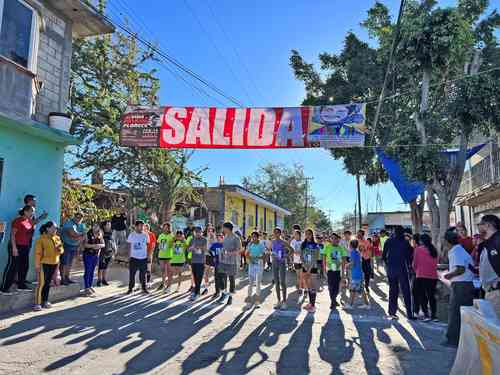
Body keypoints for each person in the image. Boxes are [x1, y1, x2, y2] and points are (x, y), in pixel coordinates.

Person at [442, 227, 475, 347]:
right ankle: (458, 339)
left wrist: (447, 275)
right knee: (458, 312)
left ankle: (453, 340)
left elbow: (460, 269)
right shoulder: (457, 250)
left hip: (462, 285)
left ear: (447, 241)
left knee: (455, 312)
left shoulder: (456, 251)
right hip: (463, 284)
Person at [1, 206, 35, 294]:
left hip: (25, 247)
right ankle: (4, 288)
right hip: (16, 246)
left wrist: (42, 217)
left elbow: (31, 228)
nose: (33, 213)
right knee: (12, 267)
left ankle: (21, 285)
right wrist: (14, 248)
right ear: (26, 212)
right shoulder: (17, 221)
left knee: (24, 266)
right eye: (32, 211)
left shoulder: (29, 221)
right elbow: (12, 235)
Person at [382, 225, 415, 320]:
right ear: (403, 233)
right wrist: (410, 266)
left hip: (391, 269)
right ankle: (409, 313)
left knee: (393, 290)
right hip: (402, 269)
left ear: (394, 232)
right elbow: (409, 256)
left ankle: (392, 312)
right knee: (406, 291)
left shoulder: (388, 241)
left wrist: (388, 264)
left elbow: (384, 256)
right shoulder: (405, 242)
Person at [33, 222, 63, 311]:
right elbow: (38, 254)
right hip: (44, 264)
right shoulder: (41, 239)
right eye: (53, 228)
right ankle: (37, 303)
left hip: (54, 263)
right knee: (41, 283)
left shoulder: (57, 238)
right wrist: (37, 265)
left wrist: (59, 249)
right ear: (47, 228)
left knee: (48, 283)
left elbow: (61, 250)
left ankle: (45, 301)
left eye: (56, 228)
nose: (55, 230)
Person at [412, 233, 439, 322]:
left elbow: (414, 264)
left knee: (423, 296)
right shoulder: (434, 250)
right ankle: (434, 316)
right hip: (433, 276)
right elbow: (436, 263)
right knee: (431, 296)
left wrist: (416, 270)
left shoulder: (418, 249)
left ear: (421, 241)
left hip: (421, 275)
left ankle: (426, 314)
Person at [477, 215, 500, 314]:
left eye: (480, 224)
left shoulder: (497, 239)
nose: (478, 227)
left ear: (487, 225)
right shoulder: (488, 243)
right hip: (490, 292)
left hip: (497, 292)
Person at [218, 222, 242, 306]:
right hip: (223, 260)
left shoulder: (236, 237)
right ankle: (224, 293)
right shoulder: (225, 236)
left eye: (223, 227)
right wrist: (221, 251)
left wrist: (230, 253)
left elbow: (239, 250)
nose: (222, 229)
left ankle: (230, 297)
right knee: (220, 276)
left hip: (232, 262)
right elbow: (224, 247)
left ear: (228, 228)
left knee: (231, 279)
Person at [60, 212, 86, 285]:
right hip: (66, 245)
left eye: (81, 217)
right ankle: (62, 278)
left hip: (75, 246)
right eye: (77, 217)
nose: (79, 219)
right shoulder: (69, 223)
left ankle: (67, 277)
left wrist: (78, 238)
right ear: (74, 217)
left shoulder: (82, 225)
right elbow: (73, 234)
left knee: (70, 263)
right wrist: (80, 235)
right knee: (64, 262)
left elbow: (84, 236)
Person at [324, 233, 348, 309]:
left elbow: (344, 260)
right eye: (332, 238)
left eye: (335, 238)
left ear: (338, 239)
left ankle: (333, 300)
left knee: (337, 287)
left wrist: (343, 272)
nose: (334, 240)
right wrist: (324, 269)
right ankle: (333, 302)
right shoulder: (327, 247)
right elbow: (323, 258)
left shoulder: (341, 248)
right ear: (330, 239)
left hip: (338, 270)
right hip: (330, 270)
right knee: (331, 287)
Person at [345, 239, 370, 309]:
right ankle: (367, 304)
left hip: (355, 274)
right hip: (359, 273)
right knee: (362, 290)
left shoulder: (352, 252)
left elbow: (352, 264)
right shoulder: (357, 252)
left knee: (352, 289)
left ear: (350, 245)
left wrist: (346, 266)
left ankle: (350, 304)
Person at [126, 220, 150, 295]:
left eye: (142, 226)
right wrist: (129, 256)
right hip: (134, 258)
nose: (142, 227)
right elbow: (129, 246)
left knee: (143, 274)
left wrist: (148, 256)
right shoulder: (131, 235)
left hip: (143, 258)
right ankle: (130, 288)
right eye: (140, 226)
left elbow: (148, 246)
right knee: (132, 274)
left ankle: (144, 288)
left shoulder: (146, 235)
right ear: (136, 226)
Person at [271, 227, 292, 310]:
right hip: (274, 263)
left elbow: (291, 250)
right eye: (274, 232)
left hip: (282, 263)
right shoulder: (272, 242)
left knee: (283, 282)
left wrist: (285, 256)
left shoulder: (283, 242)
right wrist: (271, 254)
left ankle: (284, 302)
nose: (276, 234)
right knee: (276, 282)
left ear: (280, 233)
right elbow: (271, 250)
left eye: (277, 232)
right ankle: (278, 301)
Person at [244, 231, 265, 310]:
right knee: (250, 283)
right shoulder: (250, 244)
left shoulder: (261, 244)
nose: (253, 238)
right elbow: (246, 254)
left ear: (258, 237)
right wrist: (250, 259)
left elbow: (264, 255)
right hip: (251, 265)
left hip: (259, 265)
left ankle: (257, 302)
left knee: (258, 283)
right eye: (252, 237)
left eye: (255, 237)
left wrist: (257, 258)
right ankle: (249, 302)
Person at [82, 224, 105, 296]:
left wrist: (99, 246)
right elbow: (84, 244)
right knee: (88, 271)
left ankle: (90, 286)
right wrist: (93, 246)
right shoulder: (88, 234)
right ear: (92, 227)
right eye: (94, 226)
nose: (95, 227)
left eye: (97, 226)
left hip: (95, 255)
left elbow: (103, 244)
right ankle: (86, 287)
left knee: (92, 271)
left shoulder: (100, 234)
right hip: (88, 255)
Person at [301, 229, 321, 313]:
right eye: (306, 234)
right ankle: (310, 303)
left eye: (309, 234)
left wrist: (309, 268)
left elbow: (316, 258)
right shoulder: (303, 244)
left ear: (312, 235)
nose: (307, 235)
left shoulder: (315, 245)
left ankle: (313, 306)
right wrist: (304, 265)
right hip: (305, 267)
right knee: (308, 286)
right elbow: (301, 256)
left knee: (313, 286)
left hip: (313, 268)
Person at [188, 226, 208, 301]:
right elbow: (188, 249)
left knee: (199, 277)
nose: (197, 233)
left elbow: (205, 249)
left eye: (199, 232)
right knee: (195, 277)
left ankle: (197, 292)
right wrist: (191, 248)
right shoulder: (192, 239)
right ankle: (196, 291)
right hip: (193, 260)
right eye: (196, 232)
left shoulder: (204, 239)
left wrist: (198, 247)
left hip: (201, 261)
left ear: (201, 232)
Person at [97, 220, 116, 287]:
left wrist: (114, 250)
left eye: (109, 224)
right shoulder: (101, 232)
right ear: (104, 225)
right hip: (102, 251)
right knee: (101, 266)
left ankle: (104, 279)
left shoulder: (111, 232)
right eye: (107, 224)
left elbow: (113, 241)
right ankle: (99, 280)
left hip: (109, 251)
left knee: (106, 267)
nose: (109, 226)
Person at [157, 223, 174, 293]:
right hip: (161, 255)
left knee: (170, 272)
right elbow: (158, 244)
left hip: (169, 256)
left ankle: (169, 286)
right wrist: (160, 246)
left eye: (167, 227)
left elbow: (173, 245)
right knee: (163, 270)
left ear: (169, 228)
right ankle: (163, 284)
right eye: (164, 227)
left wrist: (170, 244)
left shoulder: (171, 236)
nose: (165, 229)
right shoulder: (160, 235)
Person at [357, 230, 373, 294]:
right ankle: (360, 286)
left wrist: (366, 252)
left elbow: (370, 251)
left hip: (366, 259)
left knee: (367, 274)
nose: (358, 235)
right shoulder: (356, 242)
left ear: (362, 235)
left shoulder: (367, 242)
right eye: (358, 234)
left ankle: (366, 286)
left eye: (359, 234)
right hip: (358, 260)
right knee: (359, 274)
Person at [209, 233, 224, 298]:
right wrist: (213, 255)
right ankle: (217, 292)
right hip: (216, 264)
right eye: (217, 237)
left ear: (222, 237)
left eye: (220, 237)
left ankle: (223, 292)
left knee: (222, 279)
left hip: (223, 264)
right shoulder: (214, 244)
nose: (218, 238)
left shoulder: (225, 245)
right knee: (216, 278)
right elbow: (210, 250)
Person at [290, 230, 304, 294]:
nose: (295, 235)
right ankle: (299, 285)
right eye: (294, 234)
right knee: (298, 275)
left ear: (299, 235)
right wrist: (291, 260)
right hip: (295, 260)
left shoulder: (302, 242)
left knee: (301, 275)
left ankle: (300, 288)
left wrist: (301, 253)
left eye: (296, 234)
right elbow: (292, 250)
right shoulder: (293, 241)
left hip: (302, 261)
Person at [144, 223, 156, 289]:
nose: (145, 229)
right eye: (144, 228)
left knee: (148, 268)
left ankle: (148, 282)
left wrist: (150, 254)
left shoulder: (152, 235)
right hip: (142, 254)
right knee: (142, 269)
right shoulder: (141, 234)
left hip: (149, 253)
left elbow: (153, 245)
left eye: (147, 228)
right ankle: (142, 282)